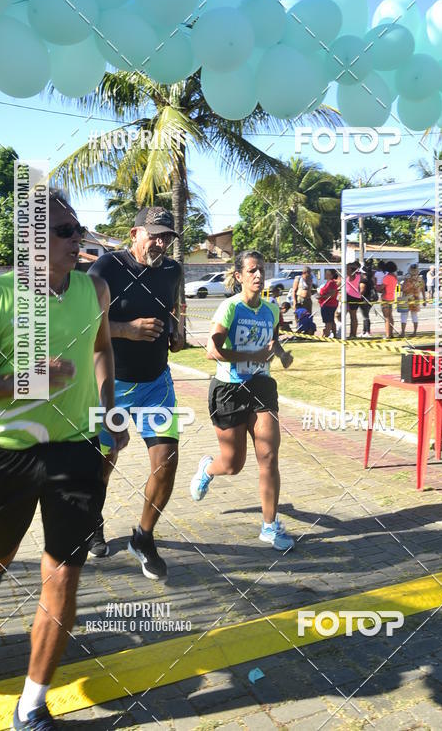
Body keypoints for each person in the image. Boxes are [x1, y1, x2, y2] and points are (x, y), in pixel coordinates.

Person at [0, 190, 124, 731]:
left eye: (78, 228)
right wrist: (27, 381)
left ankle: (31, 704)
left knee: (64, 572)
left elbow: (101, 349)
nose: (79, 239)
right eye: (66, 230)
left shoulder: (94, 288)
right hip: (8, 453)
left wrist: (110, 412)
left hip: (74, 449)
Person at [88, 206, 183, 579]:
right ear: (134, 234)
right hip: (111, 382)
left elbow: (169, 310)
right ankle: (93, 521)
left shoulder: (173, 271)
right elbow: (83, 321)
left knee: (167, 460)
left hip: (156, 383)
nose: (160, 243)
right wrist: (126, 329)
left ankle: (143, 537)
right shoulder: (107, 268)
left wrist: (175, 333)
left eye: (167, 237)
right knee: (103, 460)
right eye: (154, 234)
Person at [190, 250, 295, 550]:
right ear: (239, 276)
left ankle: (270, 526)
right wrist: (250, 356)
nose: (258, 275)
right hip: (229, 388)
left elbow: (271, 342)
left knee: (269, 455)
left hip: (261, 386)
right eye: (251, 271)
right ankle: (208, 469)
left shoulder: (271, 310)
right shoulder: (229, 308)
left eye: (261, 269)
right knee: (233, 463)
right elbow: (212, 351)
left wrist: (282, 355)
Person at [397, 265, 427, 337]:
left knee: (404, 315)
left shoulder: (407, 279)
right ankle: (414, 332)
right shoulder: (420, 279)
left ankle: (403, 332)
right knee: (414, 316)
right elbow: (423, 290)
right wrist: (424, 299)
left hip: (406, 298)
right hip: (416, 299)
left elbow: (403, 289)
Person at [379, 261, 398, 339]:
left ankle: (387, 335)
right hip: (391, 297)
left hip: (385, 298)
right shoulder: (394, 276)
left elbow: (381, 288)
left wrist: (377, 287)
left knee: (386, 318)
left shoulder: (387, 277)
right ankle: (391, 333)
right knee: (390, 316)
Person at [318, 268, 339, 337]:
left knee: (328, 321)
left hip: (329, 304)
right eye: (326, 273)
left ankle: (326, 335)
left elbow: (332, 294)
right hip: (326, 303)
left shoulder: (331, 283)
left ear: (331, 275)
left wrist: (322, 296)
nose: (326, 275)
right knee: (331, 320)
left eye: (328, 274)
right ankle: (334, 334)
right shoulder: (328, 282)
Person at [345, 262, 362, 338]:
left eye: (347, 268)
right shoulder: (357, 275)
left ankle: (353, 334)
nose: (346, 270)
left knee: (353, 316)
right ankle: (351, 333)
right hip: (349, 296)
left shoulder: (354, 275)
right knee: (351, 316)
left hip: (352, 296)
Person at [359, 262, 374, 338]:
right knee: (365, 315)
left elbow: (362, 291)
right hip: (370, 299)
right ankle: (364, 331)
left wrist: (357, 296)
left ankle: (367, 331)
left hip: (365, 299)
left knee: (365, 316)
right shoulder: (370, 279)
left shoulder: (363, 281)